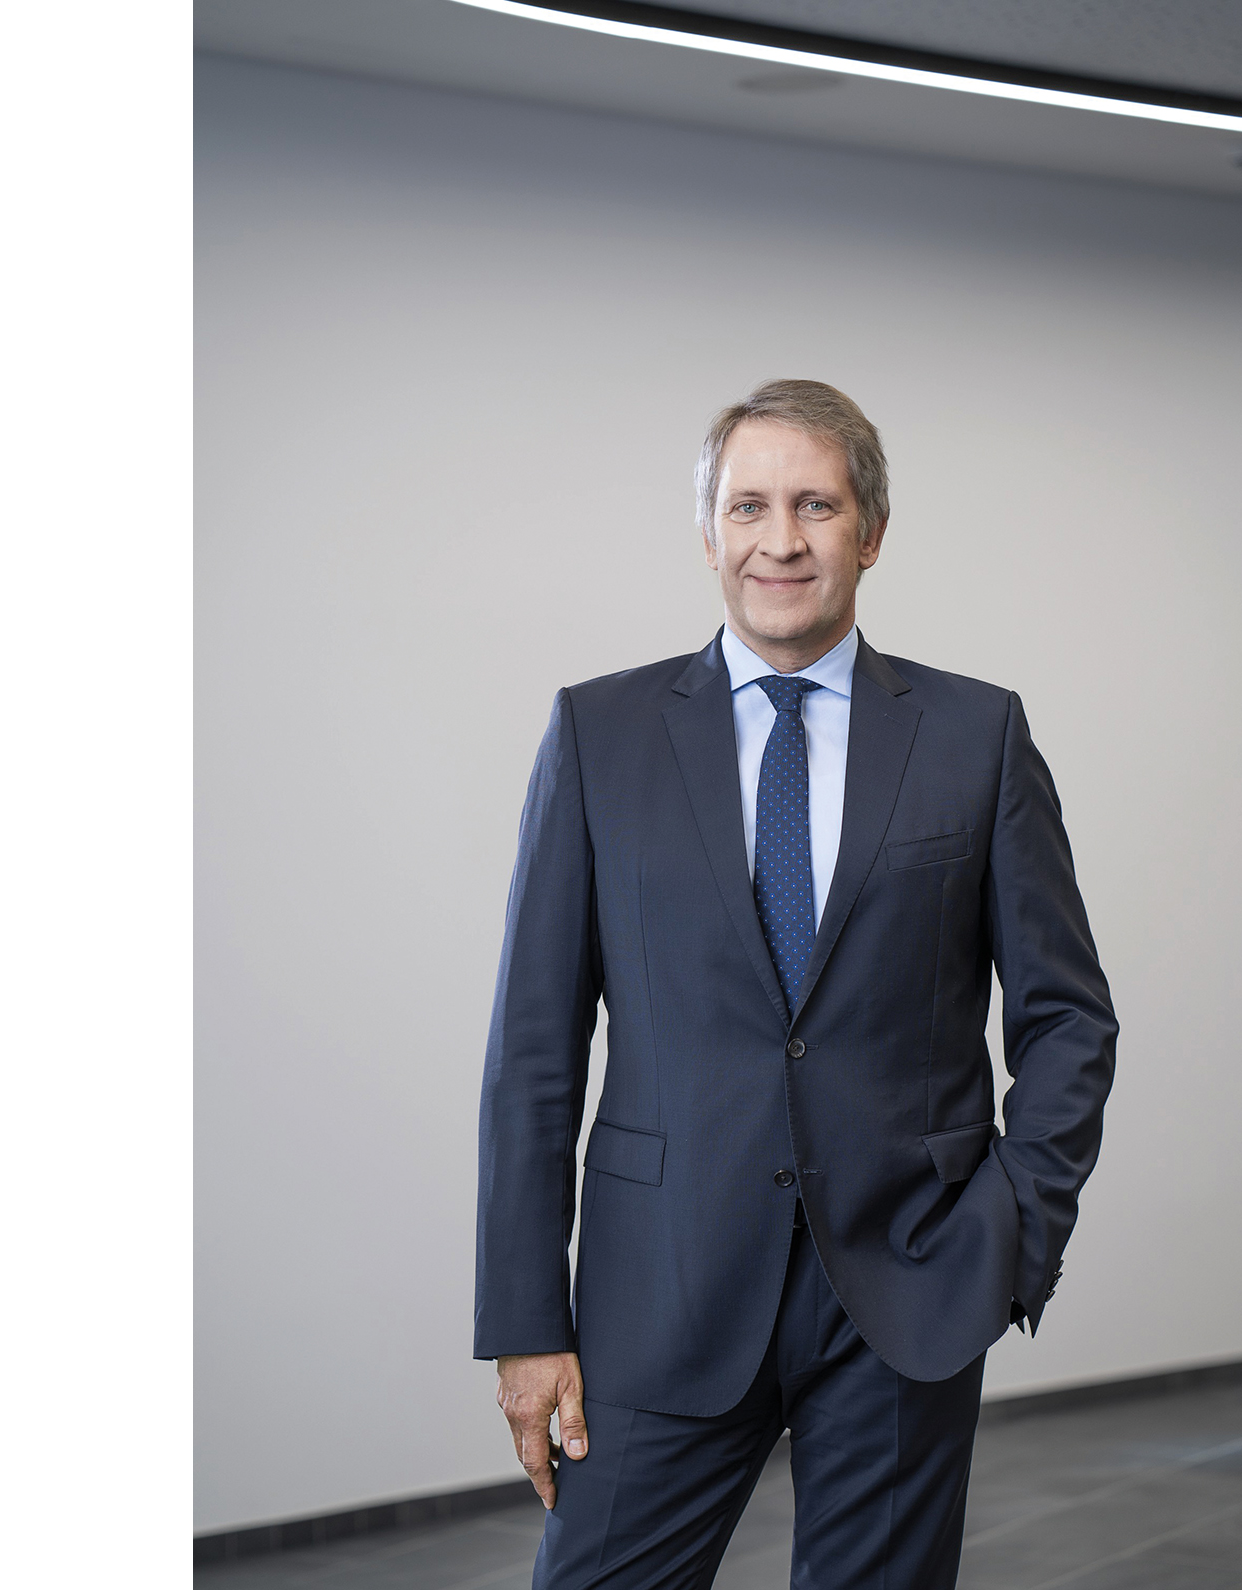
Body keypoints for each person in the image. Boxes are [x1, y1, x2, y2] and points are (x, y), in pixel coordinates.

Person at [475, 378, 1118, 1588]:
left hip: (908, 1288)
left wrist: (1013, 1232)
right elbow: (533, 1053)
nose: (781, 540)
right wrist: (524, 1320)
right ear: (708, 531)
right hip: (659, 1292)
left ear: (870, 533)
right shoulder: (600, 736)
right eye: (749, 506)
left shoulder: (974, 736)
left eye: (816, 505)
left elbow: (1067, 1016)